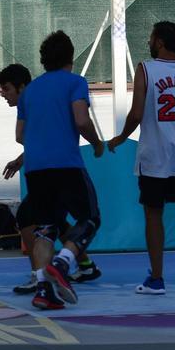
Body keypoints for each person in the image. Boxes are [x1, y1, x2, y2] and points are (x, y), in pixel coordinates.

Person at [108, 21, 175, 298]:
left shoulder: (146, 69)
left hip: (155, 156)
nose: (148, 41)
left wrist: (121, 137)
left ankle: (157, 279)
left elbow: (135, 114)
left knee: (153, 214)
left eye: (150, 37)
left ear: (158, 41)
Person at [0, 63, 102, 296]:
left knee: (32, 217)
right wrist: (21, 159)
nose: (3, 94)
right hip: (53, 168)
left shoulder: (33, 98)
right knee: (56, 222)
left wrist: (96, 142)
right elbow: (45, 136)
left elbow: (31, 136)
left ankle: (42, 276)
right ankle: (84, 265)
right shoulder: (45, 94)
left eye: (6, 89)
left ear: (21, 87)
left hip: (51, 170)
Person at [16, 31, 103, 310]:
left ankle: (44, 290)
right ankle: (63, 263)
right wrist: (96, 142)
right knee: (89, 219)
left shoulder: (29, 91)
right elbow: (80, 119)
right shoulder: (75, 82)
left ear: (43, 60)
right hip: (66, 163)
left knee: (45, 228)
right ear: (71, 57)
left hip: (36, 167)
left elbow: (20, 135)